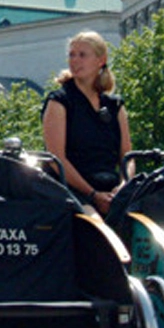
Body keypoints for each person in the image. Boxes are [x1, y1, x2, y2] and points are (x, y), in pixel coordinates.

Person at [42, 31, 133, 216]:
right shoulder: (59, 102)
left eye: (82, 55)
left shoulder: (115, 105)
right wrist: (93, 194)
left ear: (101, 60)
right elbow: (56, 159)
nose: (75, 60)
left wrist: (123, 186)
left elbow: (128, 157)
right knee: (95, 225)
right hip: (72, 190)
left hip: (111, 190)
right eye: (72, 55)